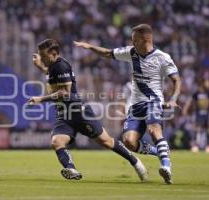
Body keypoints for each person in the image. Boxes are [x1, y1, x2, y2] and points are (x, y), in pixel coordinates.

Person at [74, 24, 182, 184]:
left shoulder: (163, 58)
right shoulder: (131, 52)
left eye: (134, 40)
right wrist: (89, 46)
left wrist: (173, 98)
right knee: (129, 141)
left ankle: (166, 166)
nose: (132, 42)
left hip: (153, 101)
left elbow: (176, 80)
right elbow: (108, 53)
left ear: (144, 39)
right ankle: (160, 152)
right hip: (135, 106)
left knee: (154, 130)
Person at [28, 39, 148, 181]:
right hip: (64, 115)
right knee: (57, 141)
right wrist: (40, 66)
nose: (41, 58)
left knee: (107, 142)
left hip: (78, 112)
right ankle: (71, 169)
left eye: (43, 55)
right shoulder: (53, 66)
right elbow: (50, 74)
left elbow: (65, 92)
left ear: (53, 53)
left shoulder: (61, 66)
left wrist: (40, 99)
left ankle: (135, 162)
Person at [183, 78, 209, 152]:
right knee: (197, 128)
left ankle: (208, 145)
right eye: (207, 82)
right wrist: (185, 108)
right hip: (198, 113)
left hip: (207, 113)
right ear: (203, 83)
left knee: (208, 129)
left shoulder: (208, 92)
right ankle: (195, 145)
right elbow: (190, 100)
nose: (208, 84)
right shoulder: (197, 92)